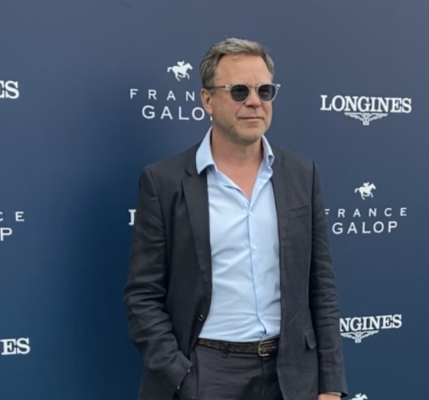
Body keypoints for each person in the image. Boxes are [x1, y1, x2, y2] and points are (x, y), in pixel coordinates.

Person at [123, 37, 348, 400]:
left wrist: (331, 385)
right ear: (207, 100)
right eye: (239, 91)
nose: (254, 102)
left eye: (264, 91)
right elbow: (143, 295)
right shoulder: (164, 182)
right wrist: (180, 375)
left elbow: (320, 285)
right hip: (206, 373)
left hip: (291, 376)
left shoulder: (302, 175)